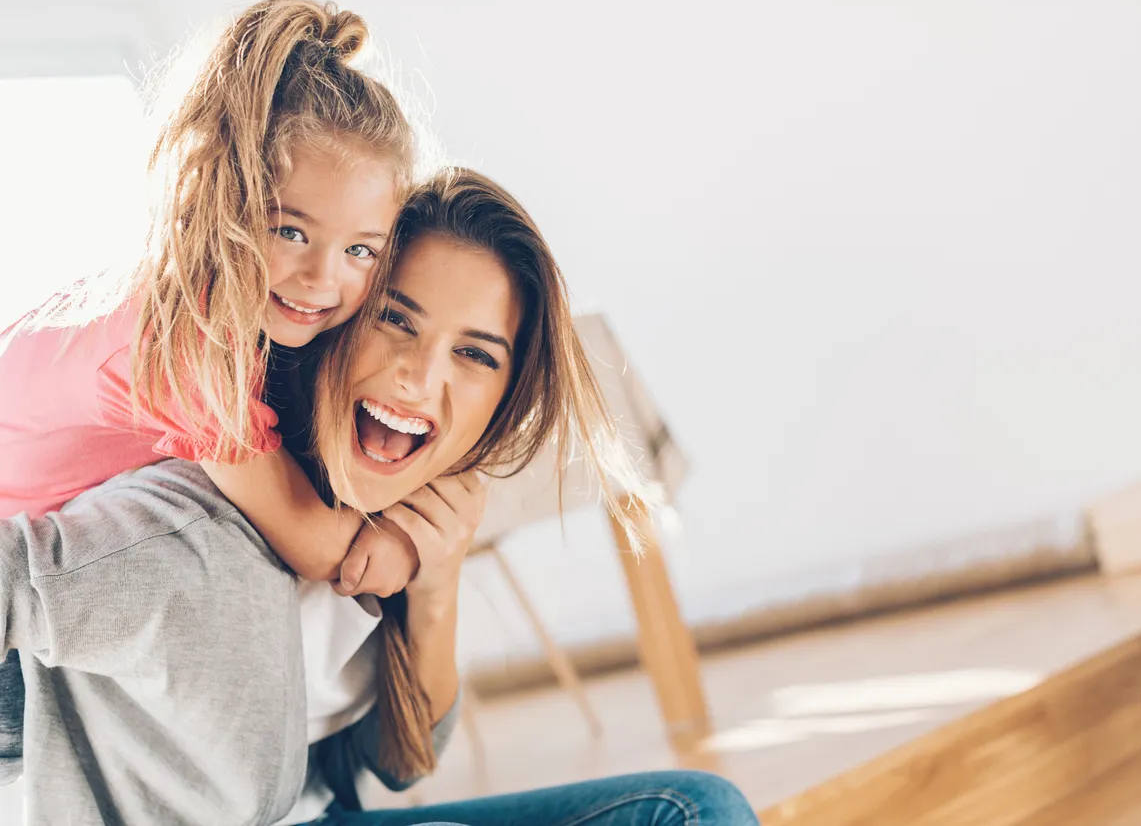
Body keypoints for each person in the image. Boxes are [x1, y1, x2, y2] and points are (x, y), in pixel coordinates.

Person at [0, 169, 758, 826]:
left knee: (697, 813)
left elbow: (399, 762)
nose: (420, 378)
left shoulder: (393, 521)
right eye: (396, 320)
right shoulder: (189, 525)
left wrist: (434, 589)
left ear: (502, 399)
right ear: (335, 321)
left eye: (473, 354)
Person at [0, 0, 440, 783]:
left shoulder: (183, 301)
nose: (321, 278)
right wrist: (416, 543)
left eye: (362, 252)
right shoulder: (191, 342)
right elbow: (311, 547)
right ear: (221, 195)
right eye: (290, 232)